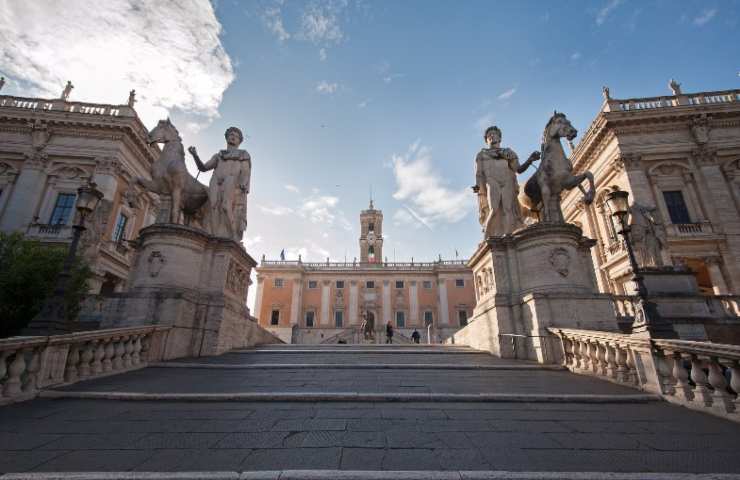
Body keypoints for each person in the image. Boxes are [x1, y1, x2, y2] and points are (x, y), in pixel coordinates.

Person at [474, 126, 539, 237]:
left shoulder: (508, 152)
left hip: (507, 181)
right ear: (486, 140)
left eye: (494, 134)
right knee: (494, 209)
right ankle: (488, 239)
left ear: (500, 138)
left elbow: (518, 169)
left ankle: (510, 237)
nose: (492, 136)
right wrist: (477, 185)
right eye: (489, 135)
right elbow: (479, 173)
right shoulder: (481, 155)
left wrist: (530, 160)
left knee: (509, 209)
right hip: (492, 181)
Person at [188, 127, 251, 240]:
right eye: (230, 134)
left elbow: (245, 172)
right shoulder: (218, 155)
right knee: (213, 207)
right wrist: (195, 155)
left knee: (226, 207)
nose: (232, 136)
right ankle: (213, 235)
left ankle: (232, 236)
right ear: (226, 137)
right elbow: (203, 168)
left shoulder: (243, 154)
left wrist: (243, 182)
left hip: (231, 180)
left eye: (235, 136)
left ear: (239, 141)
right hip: (216, 181)